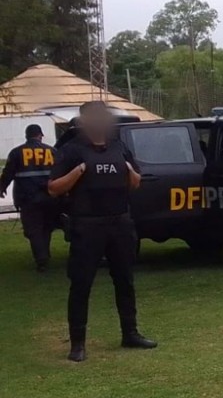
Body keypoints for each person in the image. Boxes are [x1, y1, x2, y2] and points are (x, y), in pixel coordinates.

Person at [48, 102, 157, 362]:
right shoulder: (72, 150)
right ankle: (78, 344)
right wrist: (78, 171)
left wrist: (132, 174)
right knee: (81, 285)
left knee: (125, 280)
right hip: (87, 226)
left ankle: (130, 333)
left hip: (119, 223)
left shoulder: (118, 146)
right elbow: (54, 188)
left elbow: (134, 183)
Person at [0, 124, 59, 271]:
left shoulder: (16, 152)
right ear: (40, 135)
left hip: (27, 198)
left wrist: (1, 188)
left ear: (27, 136)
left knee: (33, 230)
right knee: (46, 227)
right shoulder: (52, 151)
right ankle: (44, 255)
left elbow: (8, 174)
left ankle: (42, 260)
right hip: (50, 197)